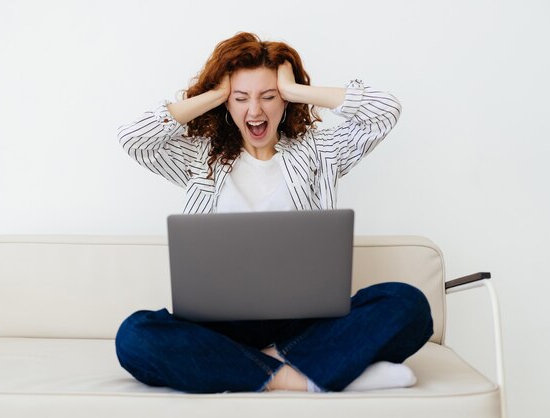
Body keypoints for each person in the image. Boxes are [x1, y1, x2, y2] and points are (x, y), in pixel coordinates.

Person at [115, 32, 433, 394]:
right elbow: (134, 139)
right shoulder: (197, 158)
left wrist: (298, 90)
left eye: (269, 96)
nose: (255, 111)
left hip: (305, 323)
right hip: (219, 327)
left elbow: (384, 112)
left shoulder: (319, 152)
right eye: (241, 98)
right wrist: (215, 94)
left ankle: (253, 363)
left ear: (285, 100)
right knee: (134, 335)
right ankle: (299, 376)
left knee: (408, 304)